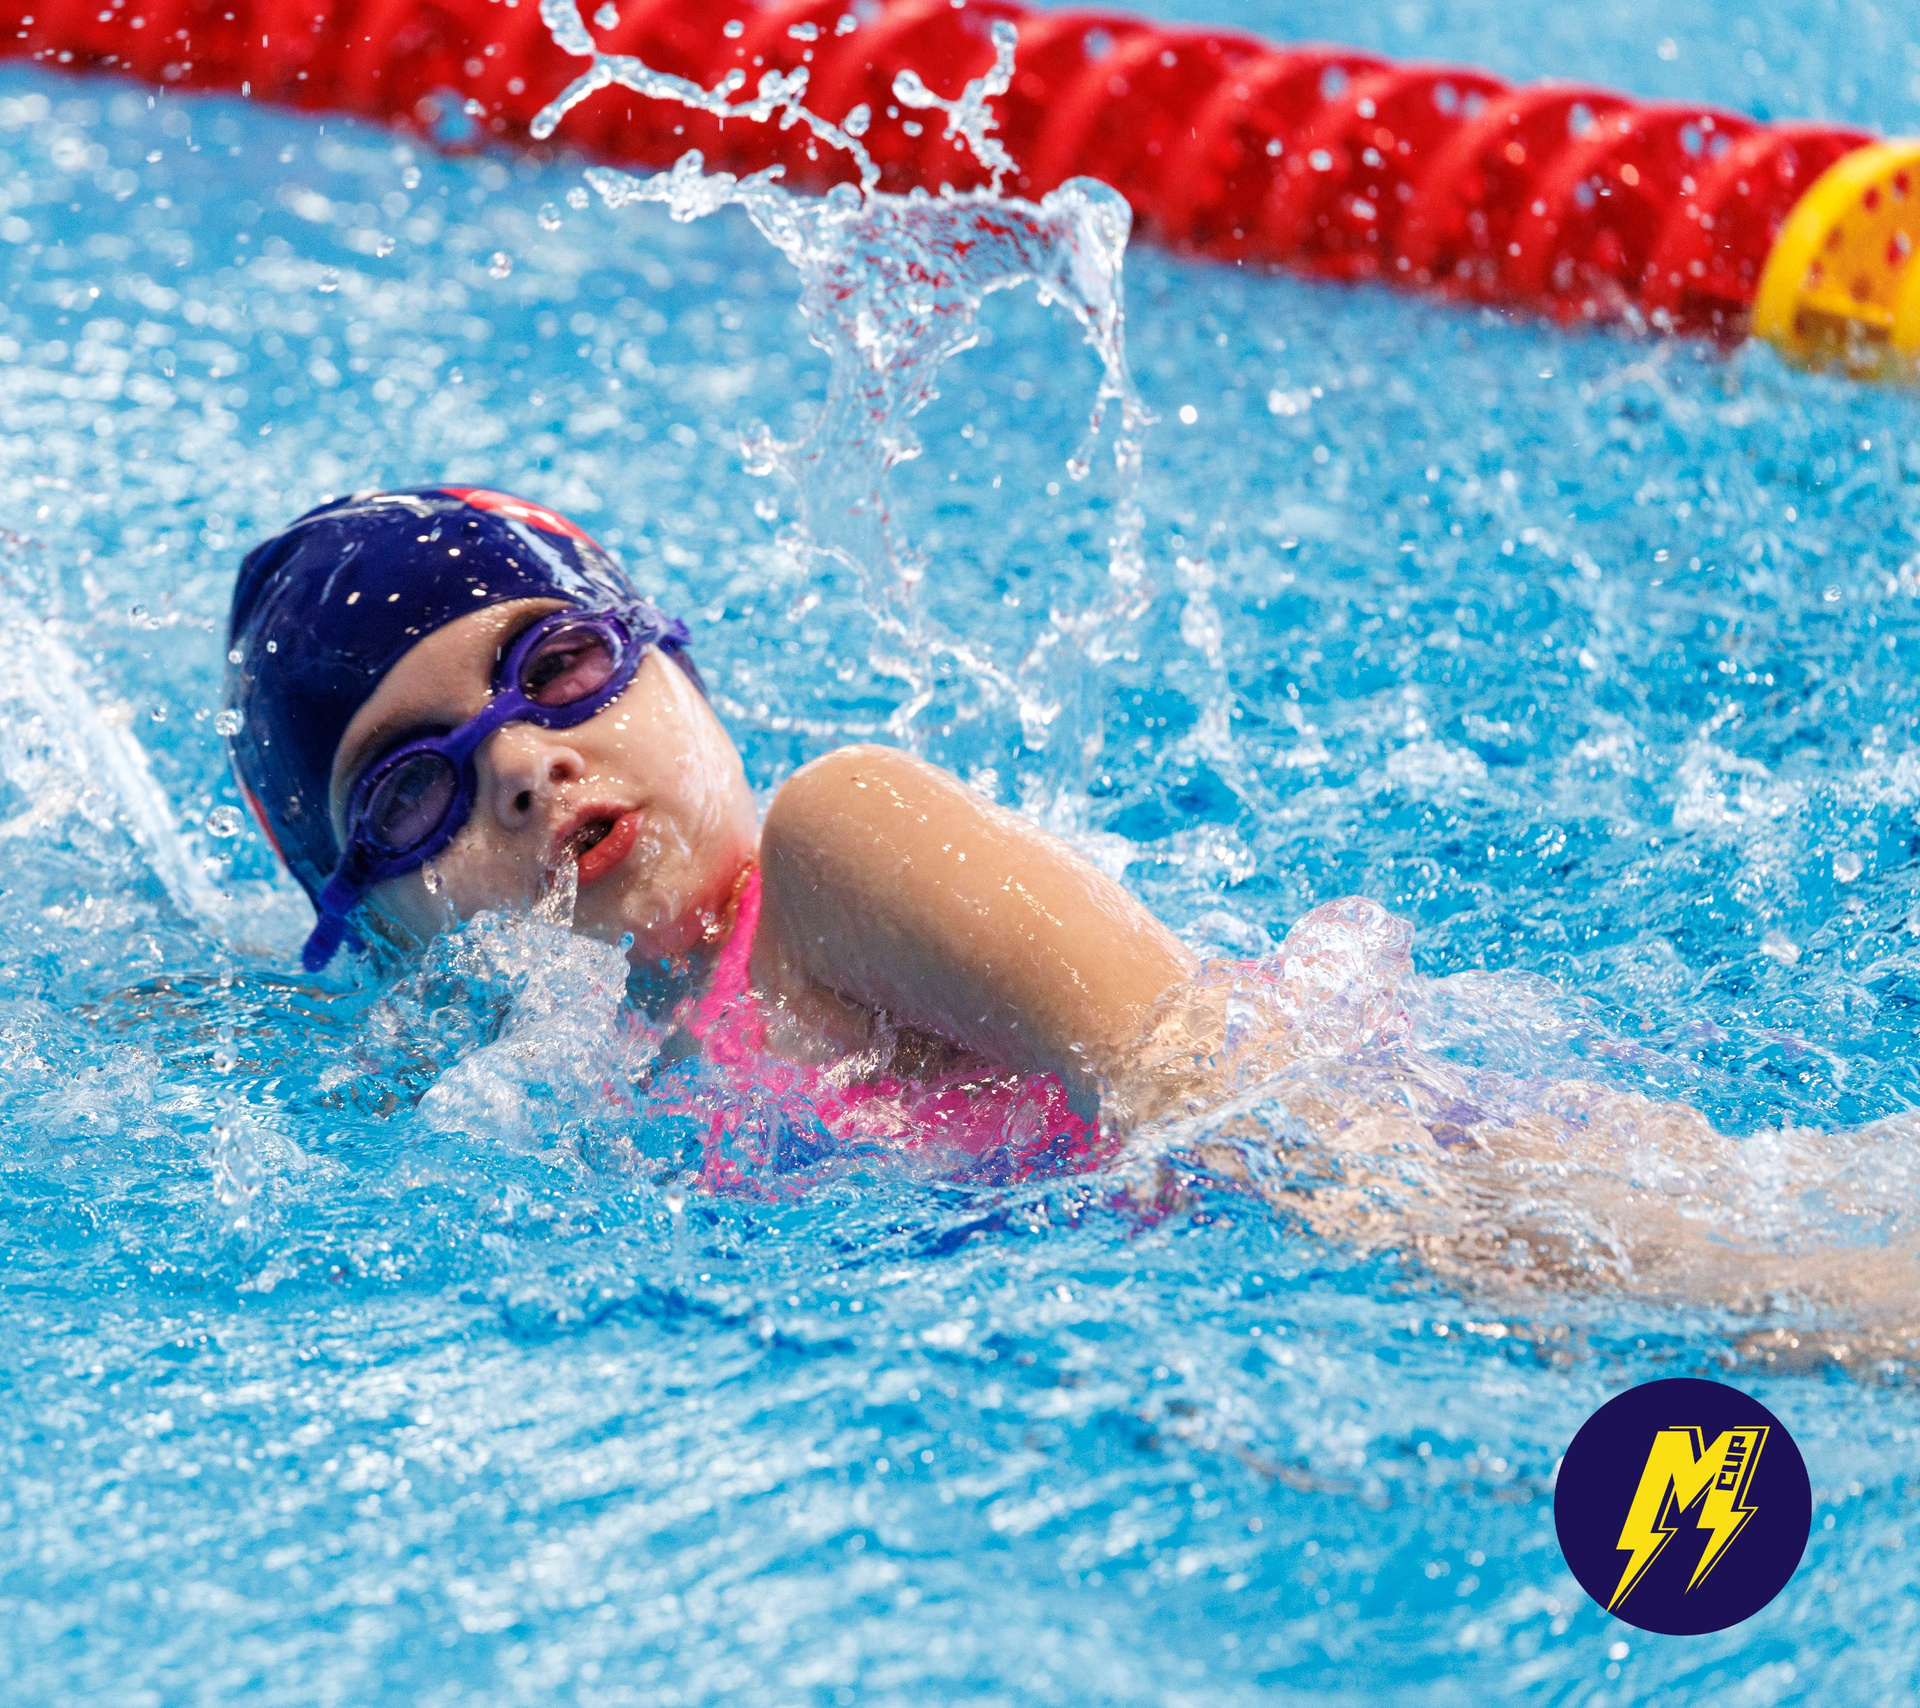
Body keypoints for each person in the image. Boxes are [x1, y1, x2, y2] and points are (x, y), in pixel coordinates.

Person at [226, 486, 1919, 1362]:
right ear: (376, 925)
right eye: (409, 793)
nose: (525, 765)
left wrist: (1580, 1292)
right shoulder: (566, 1075)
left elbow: (1232, 1092)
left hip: (1489, 1200)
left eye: (557, 666)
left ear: (674, 661)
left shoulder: (839, 849)